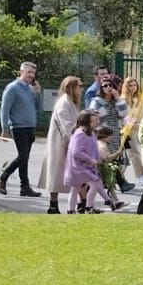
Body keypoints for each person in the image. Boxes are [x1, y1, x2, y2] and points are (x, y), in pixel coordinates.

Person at [0, 62, 43, 197]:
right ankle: (4, 177)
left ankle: (25, 187)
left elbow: (39, 108)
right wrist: (4, 128)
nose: (31, 75)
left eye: (33, 73)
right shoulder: (12, 88)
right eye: (28, 72)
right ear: (21, 71)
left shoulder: (31, 89)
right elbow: (4, 109)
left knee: (25, 158)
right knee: (23, 156)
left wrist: (38, 93)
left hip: (30, 127)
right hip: (18, 127)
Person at [43, 74, 83, 214]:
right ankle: (53, 204)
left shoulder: (71, 102)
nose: (81, 89)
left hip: (70, 140)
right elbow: (66, 124)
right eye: (79, 86)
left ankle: (82, 203)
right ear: (71, 87)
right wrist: (77, 138)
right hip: (60, 142)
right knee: (56, 173)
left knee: (77, 172)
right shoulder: (64, 102)